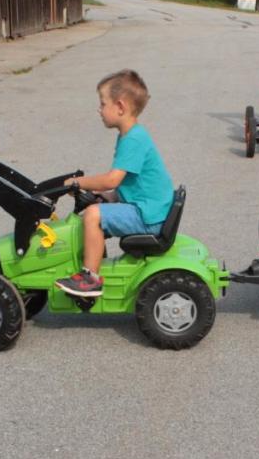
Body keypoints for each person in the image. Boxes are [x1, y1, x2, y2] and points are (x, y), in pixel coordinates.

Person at [54, 69, 174, 298]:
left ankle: (90, 279)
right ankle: (93, 261)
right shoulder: (131, 135)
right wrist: (108, 196)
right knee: (97, 207)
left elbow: (112, 179)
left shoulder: (133, 139)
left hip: (149, 217)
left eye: (102, 103)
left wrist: (76, 183)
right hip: (149, 208)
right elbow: (131, 183)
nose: (99, 110)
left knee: (93, 215)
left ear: (120, 107)